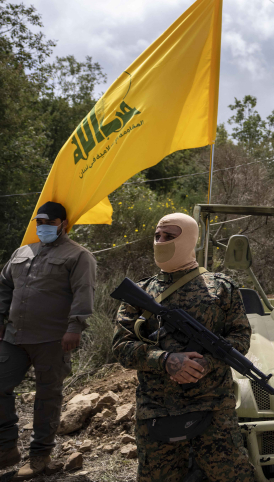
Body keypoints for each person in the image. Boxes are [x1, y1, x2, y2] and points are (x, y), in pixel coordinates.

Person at [112, 213, 255, 481]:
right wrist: (165, 360)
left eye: (169, 236)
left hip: (213, 407)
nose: (160, 241)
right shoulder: (141, 291)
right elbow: (121, 346)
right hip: (156, 409)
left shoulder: (221, 288)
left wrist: (206, 363)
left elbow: (240, 338)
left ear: (189, 239)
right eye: (157, 236)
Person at [0, 201, 96, 479]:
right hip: (14, 337)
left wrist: (75, 327)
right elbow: (5, 285)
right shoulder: (22, 252)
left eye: (49, 223)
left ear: (62, 224)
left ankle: (40, 457)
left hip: (53, 340)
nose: (43, 228)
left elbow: (83, 292)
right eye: (39, 222)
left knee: (47, 396)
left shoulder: (78, 256)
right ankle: (6, 448)